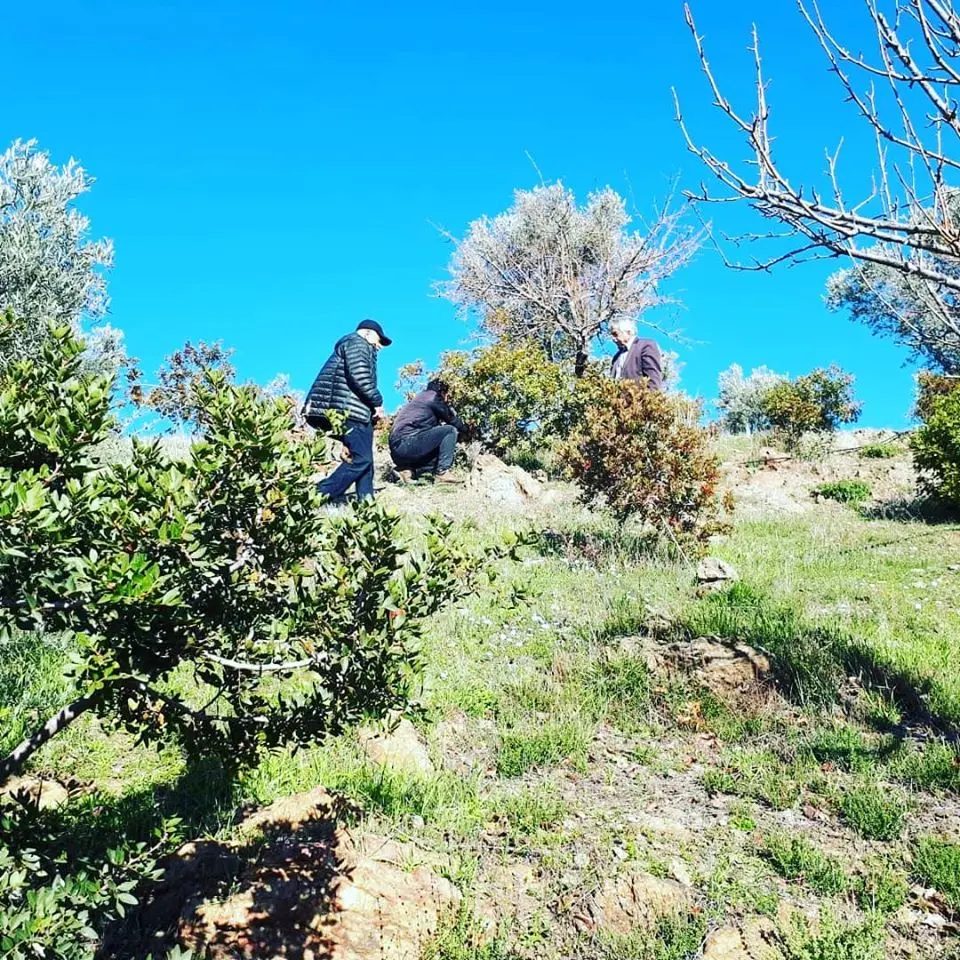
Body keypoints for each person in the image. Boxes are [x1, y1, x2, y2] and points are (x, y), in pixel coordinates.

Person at [303, 319, 391, 502]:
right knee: (361, 459)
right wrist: (377, 402)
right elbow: (360, 376)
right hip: (347, 410)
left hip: (355, 410)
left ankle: (366, 503)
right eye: (379, 339)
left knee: (366, 461)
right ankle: (317, 497)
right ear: (367, 332)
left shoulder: (356, 345)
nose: (380, 345)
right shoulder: (358, 343)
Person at [389, 379, 465, 483]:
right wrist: (467, 430)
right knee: (449, 431)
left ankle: (405, 470)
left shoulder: (419, 400)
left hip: (397, 451)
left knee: (437, 449)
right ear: (442, 392)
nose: (447, 399)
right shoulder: (433, 397)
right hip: (407, 443)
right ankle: (442, 473)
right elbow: (452, 419)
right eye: (447, 395)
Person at [609, 317, 663, 390]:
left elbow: (653, 379)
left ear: (628, 332)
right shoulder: (616, 357)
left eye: (615, 334)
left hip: (638, 399)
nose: (613, 339)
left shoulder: (645, 346)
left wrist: (649, 400)